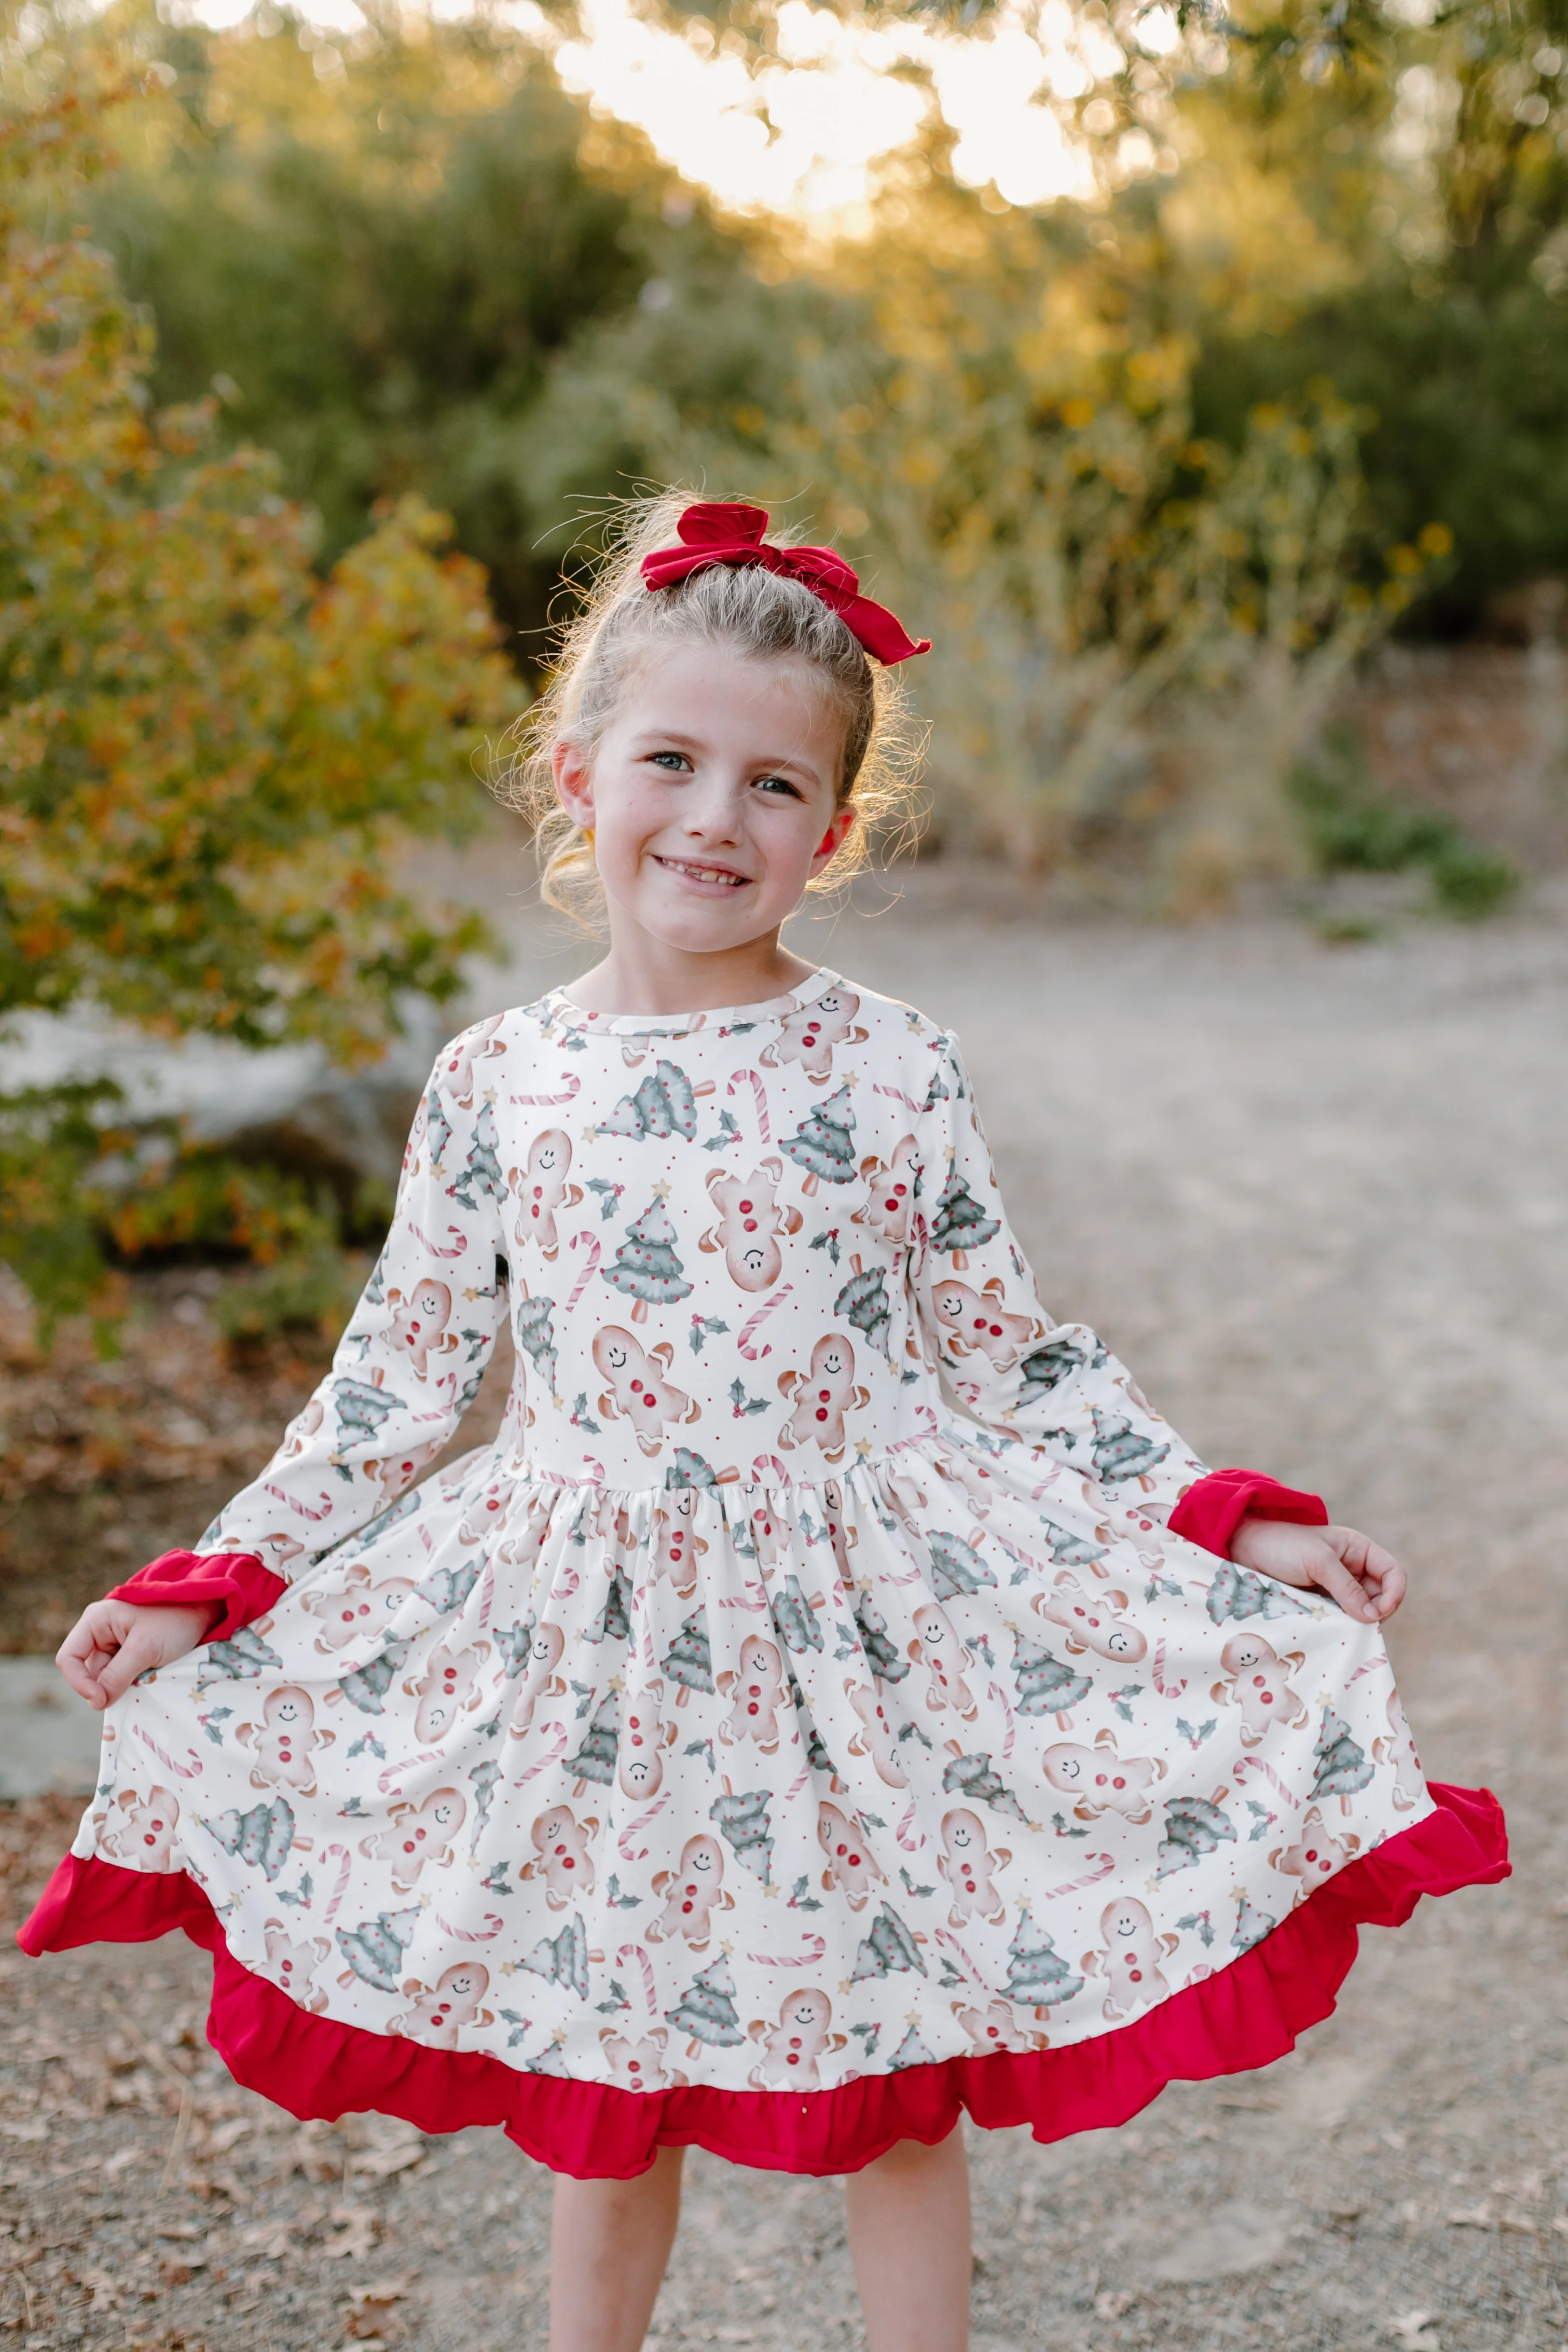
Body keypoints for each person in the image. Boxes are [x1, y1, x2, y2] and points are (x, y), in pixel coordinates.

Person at [22, 496, 1507, 2352]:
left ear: (835, 830)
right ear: (575, 771)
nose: (714, 817)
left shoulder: (890, 1064)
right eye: (672, 760)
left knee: (898, 2050)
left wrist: (1231, 1519)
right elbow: (393, 1384)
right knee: (610, 2051)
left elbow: (1012, 1357)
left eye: (774, 785)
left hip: (859, 1640)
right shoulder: (499, 1082)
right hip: (598, 1648)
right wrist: (210, 1584)